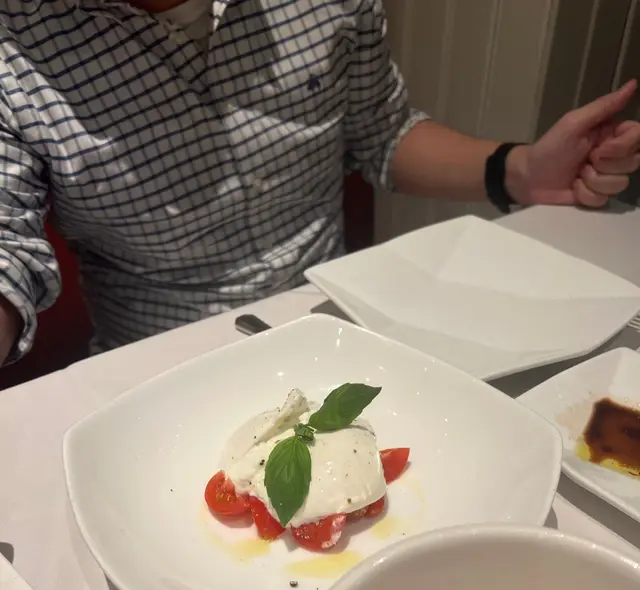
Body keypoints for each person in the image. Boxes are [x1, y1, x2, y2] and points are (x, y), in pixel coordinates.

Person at [1, 0, 639, 367]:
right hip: (158, 357)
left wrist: (521, 170)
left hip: (336, 320)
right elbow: (7, 252)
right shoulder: (13, 42)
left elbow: (381, 131)